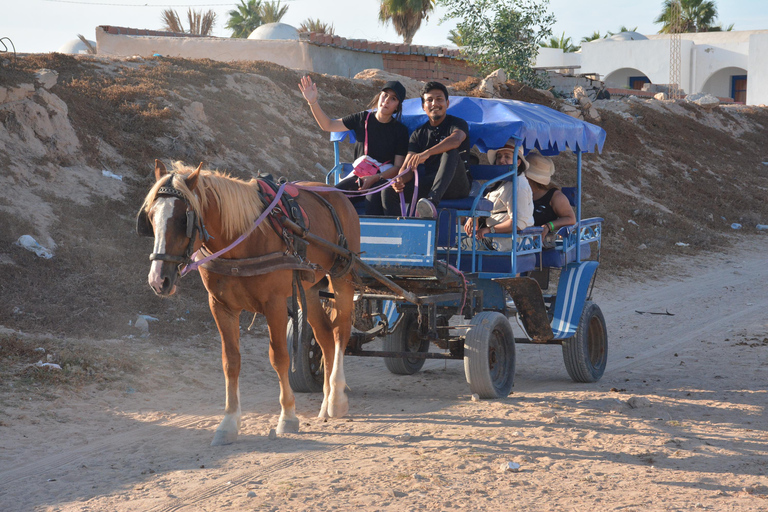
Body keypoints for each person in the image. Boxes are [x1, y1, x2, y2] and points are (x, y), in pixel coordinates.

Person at [299, 76, 409, 215]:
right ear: (379, 96)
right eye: (385, 95)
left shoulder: (400, 130)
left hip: (382, 179)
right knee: (332, 196)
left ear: (397, 106)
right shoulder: (361, 119)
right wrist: (313, 102)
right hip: (359, 175)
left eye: (393, 98)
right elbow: (328, 125)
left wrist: (375, 178)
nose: (386, 100)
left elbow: (398, 167)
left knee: (372, 198)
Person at [381, 81, 471, 218]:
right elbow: (407, 167)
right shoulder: (418, 134)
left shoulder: (458, 123)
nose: (434, 103)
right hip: (430, 184)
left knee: (451, 150)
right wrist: (400, 180)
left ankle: (431, 204)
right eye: (429, 100)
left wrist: (426, 153)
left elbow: (456, 140)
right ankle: (397, 233)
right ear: (423, 106)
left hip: (457, 185)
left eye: (439, 99)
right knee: (388, 191)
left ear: (447, 104)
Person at [462, 141, 534, 251]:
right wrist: (474, 216)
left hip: (506, 243)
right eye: (499, 156)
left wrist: (490, 230)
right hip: (493, 239)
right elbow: (485, 204)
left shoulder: (519, 185)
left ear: (518, 162)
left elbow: (519, 223)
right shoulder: (502, 183)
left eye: (507, 156)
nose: (501, 160)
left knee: (456, 242)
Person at [525, 154, 577, 246]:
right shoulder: (519, 191)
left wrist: (549, 226)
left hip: (543, 244)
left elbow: (571, 219)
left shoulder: (555, 196)